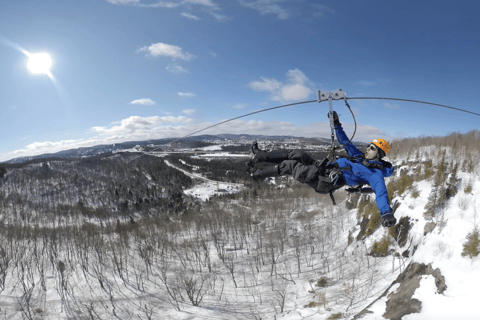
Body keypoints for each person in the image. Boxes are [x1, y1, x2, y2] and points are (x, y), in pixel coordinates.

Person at [246, 111, 397, 228]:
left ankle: (256, 175)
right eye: (368, 146)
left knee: (289, 165)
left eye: (371, 148)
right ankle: (260, 156)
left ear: (379, 154)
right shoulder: (359, 156)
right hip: (322, 167)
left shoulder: (376, 175)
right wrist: (336, 124)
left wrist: (386, 214)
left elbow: (382, 194)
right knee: (297, 153)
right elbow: (345, 141)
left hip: (324, 180)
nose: (367, 149)